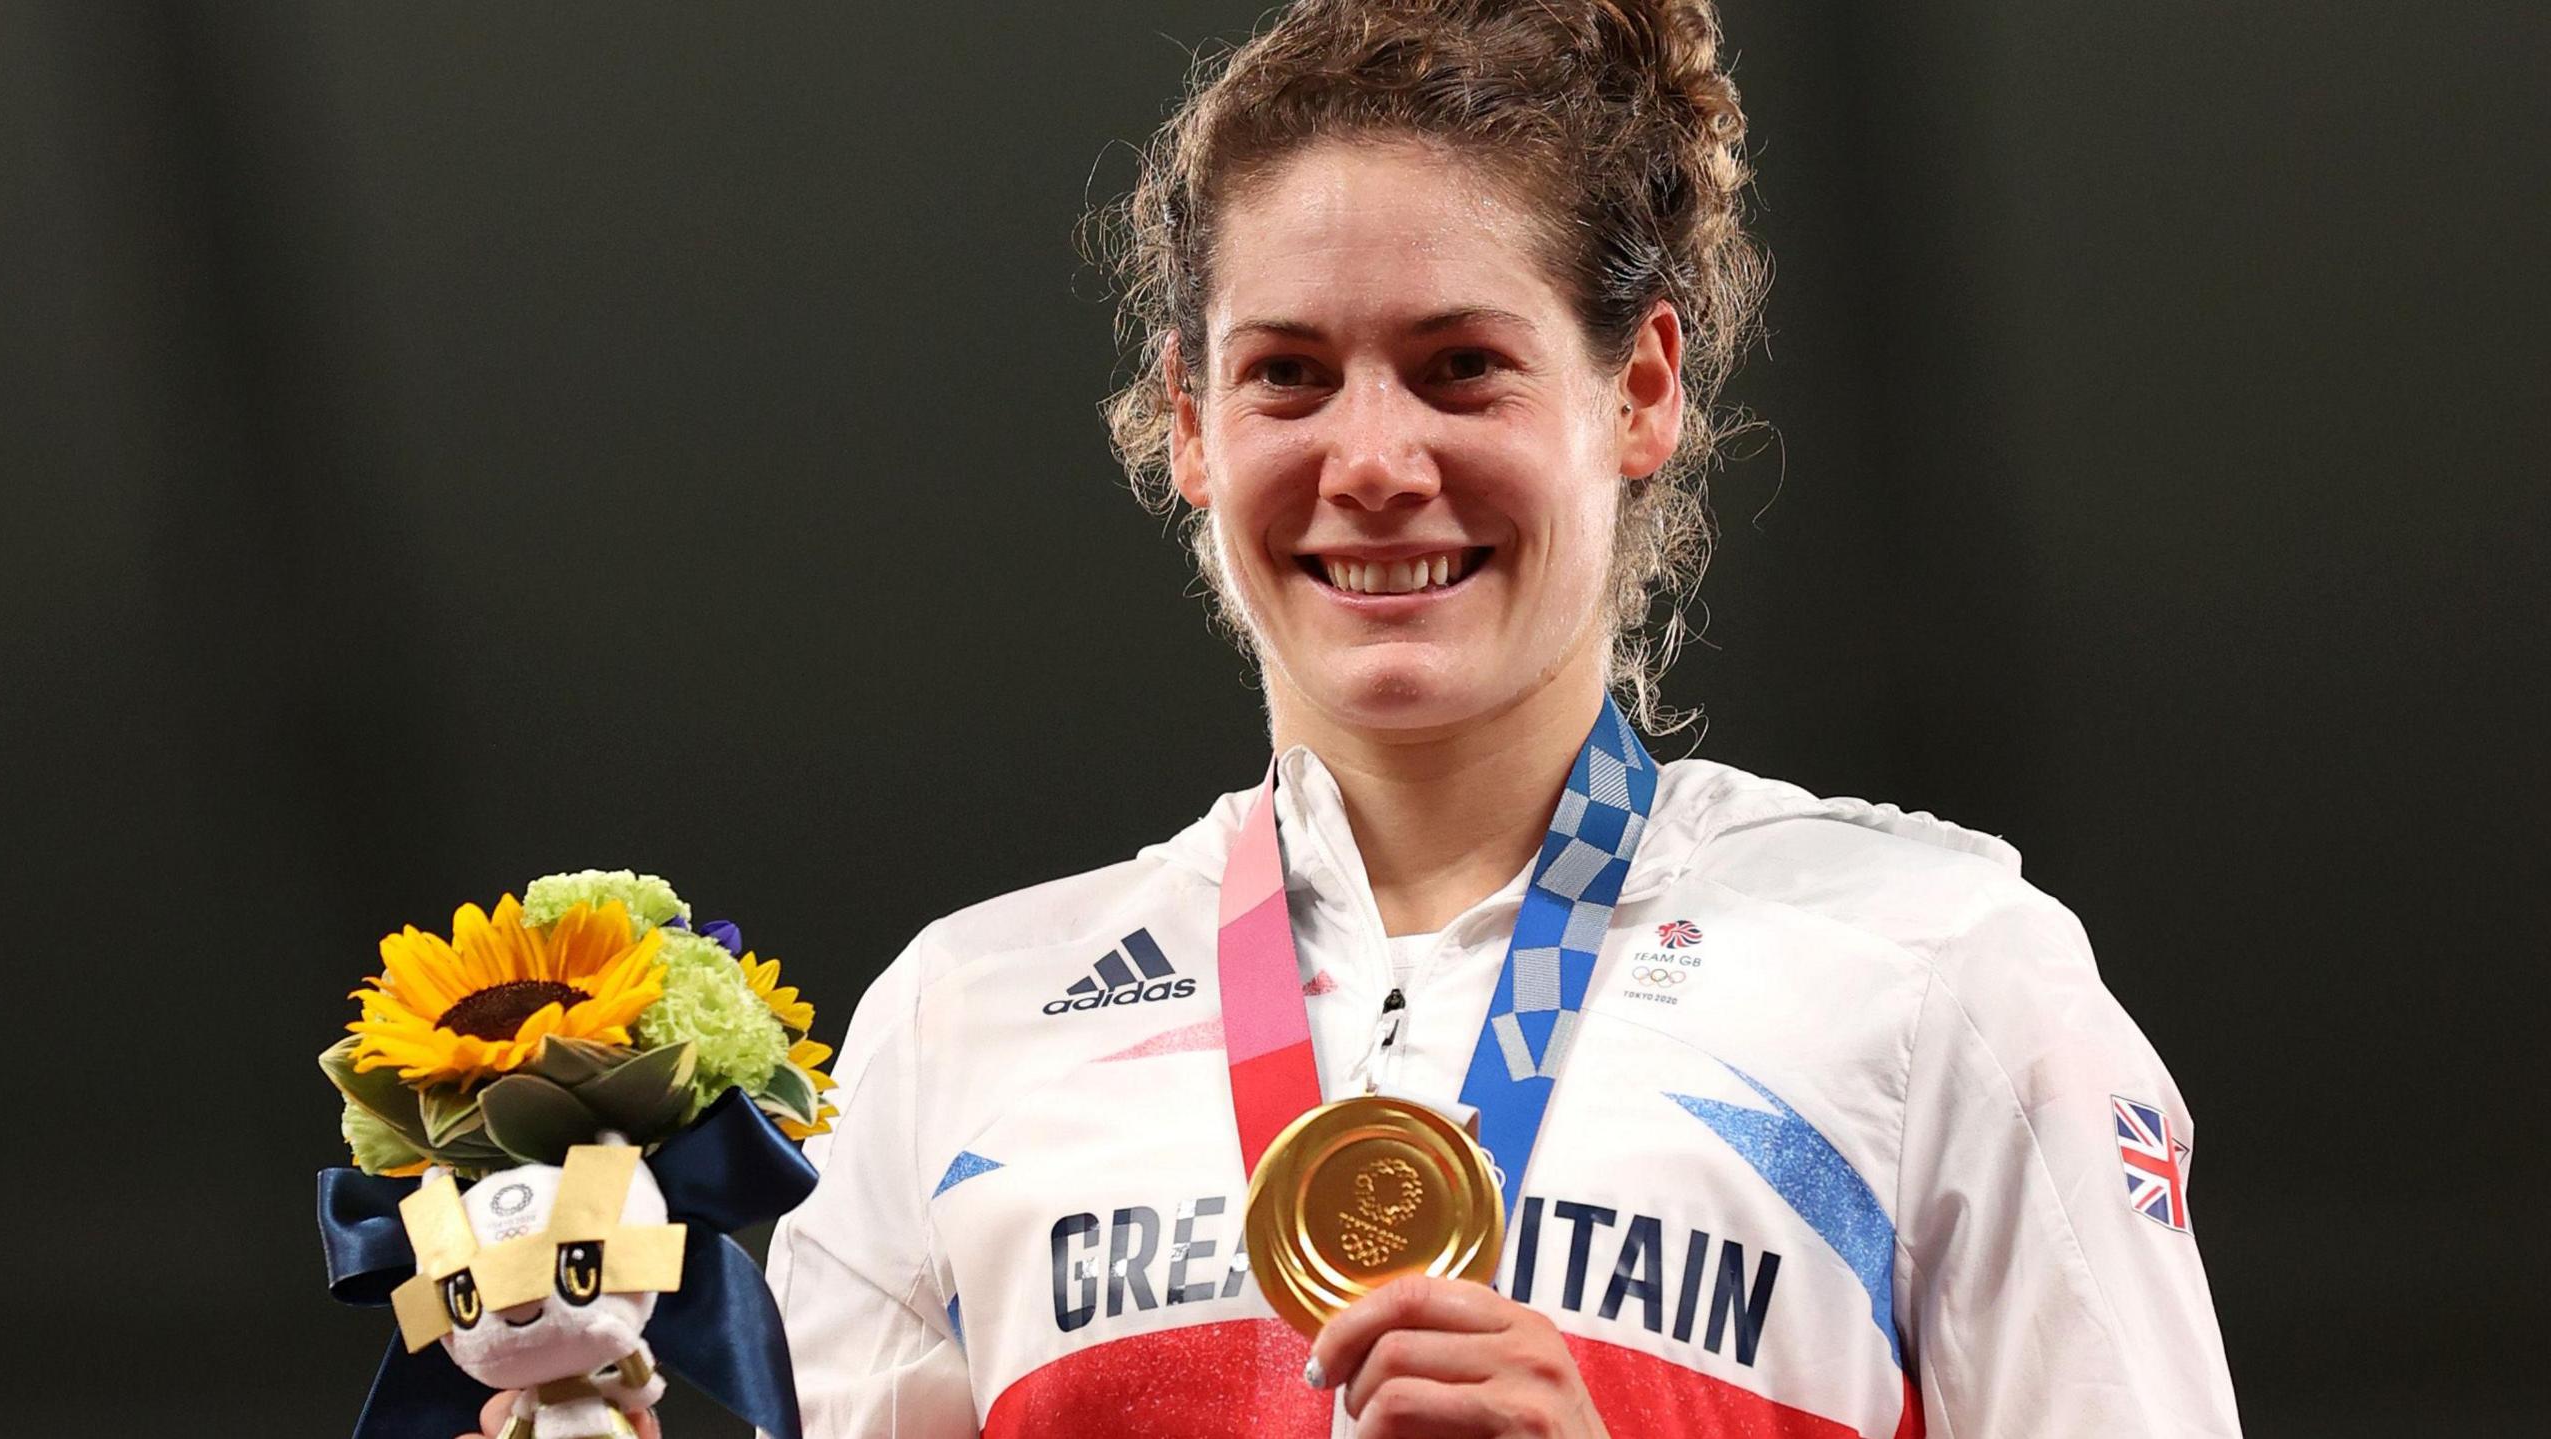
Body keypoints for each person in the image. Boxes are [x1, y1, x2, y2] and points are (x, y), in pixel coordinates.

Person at [599, 2, 2247, 1436]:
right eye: (1288, 376)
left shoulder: (1938, 972)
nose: (1374, 462)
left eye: (1462, 368)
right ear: (1189, 421)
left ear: (1641, 390)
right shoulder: (969, 1025)